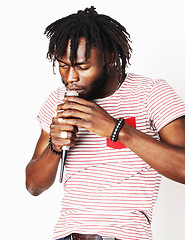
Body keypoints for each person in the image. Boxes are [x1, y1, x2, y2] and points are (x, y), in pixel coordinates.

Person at [25, 6, 185, 240]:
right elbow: (33, 186)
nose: (70, 78)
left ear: (109, 58)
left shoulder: (152, 93)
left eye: (82, 67)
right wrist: (55, 147)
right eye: (63, 65)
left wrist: (116, 129)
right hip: (67, 235)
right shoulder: (58, 100)